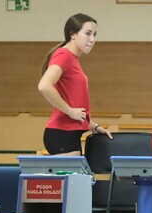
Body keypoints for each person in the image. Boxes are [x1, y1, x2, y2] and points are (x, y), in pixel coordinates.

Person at [38, 13, 112, 156]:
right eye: (87, 33)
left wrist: (95, 127)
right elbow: (44, 85)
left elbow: (75, 107)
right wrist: (71, 111)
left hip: (69, 133)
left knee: (78, 178)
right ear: (72, 34)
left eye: (94, 35)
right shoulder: (64, 55)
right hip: (61, 134)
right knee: (73, 178)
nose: (92, 39)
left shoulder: (72, 59)